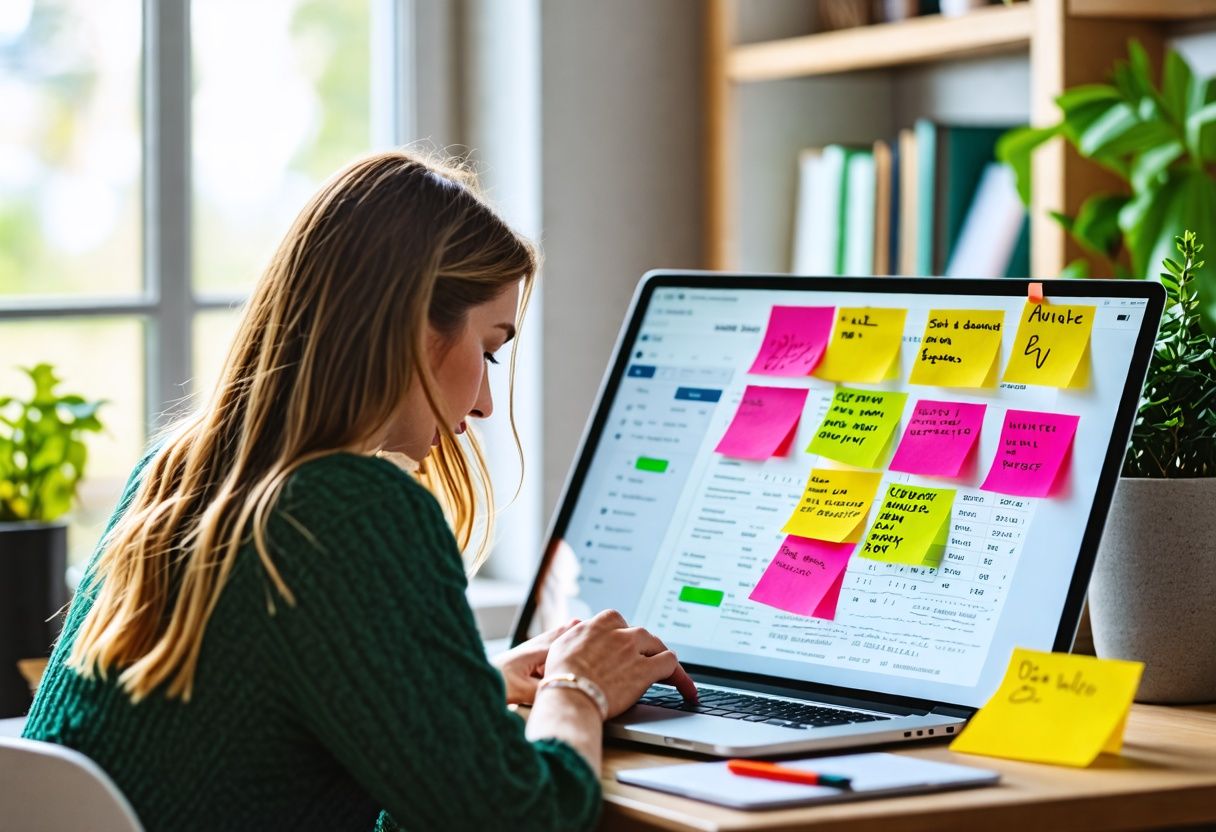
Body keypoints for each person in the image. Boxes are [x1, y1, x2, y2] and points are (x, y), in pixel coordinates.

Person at [23, 150, 697, 831]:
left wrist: (470, 692)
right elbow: (522, 820)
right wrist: (576, 690)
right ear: (412, 329)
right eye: (490, 350)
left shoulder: (174, 473)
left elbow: (252, 737)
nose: (489, 402)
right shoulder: (350, 510)